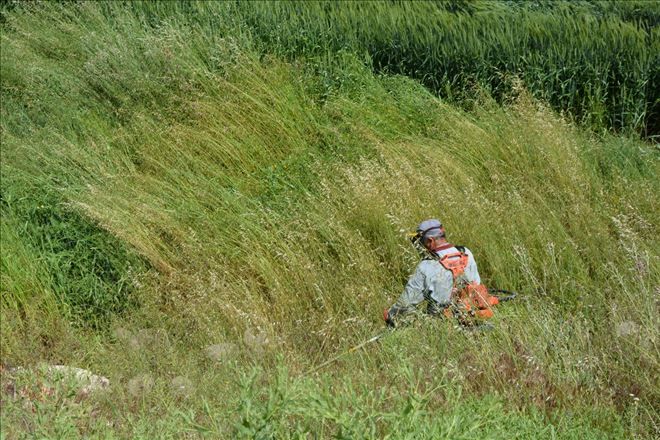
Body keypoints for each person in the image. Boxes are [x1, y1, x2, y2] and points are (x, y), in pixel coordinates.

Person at [384, 218, 483, 326]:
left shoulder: (426, 266)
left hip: (444, 325)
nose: (419, 246)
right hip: (473, 316)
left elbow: (405, 303)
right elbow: (476, 283)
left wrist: (390, 314)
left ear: (430, 241)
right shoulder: (465, 252)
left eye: (420, 242)